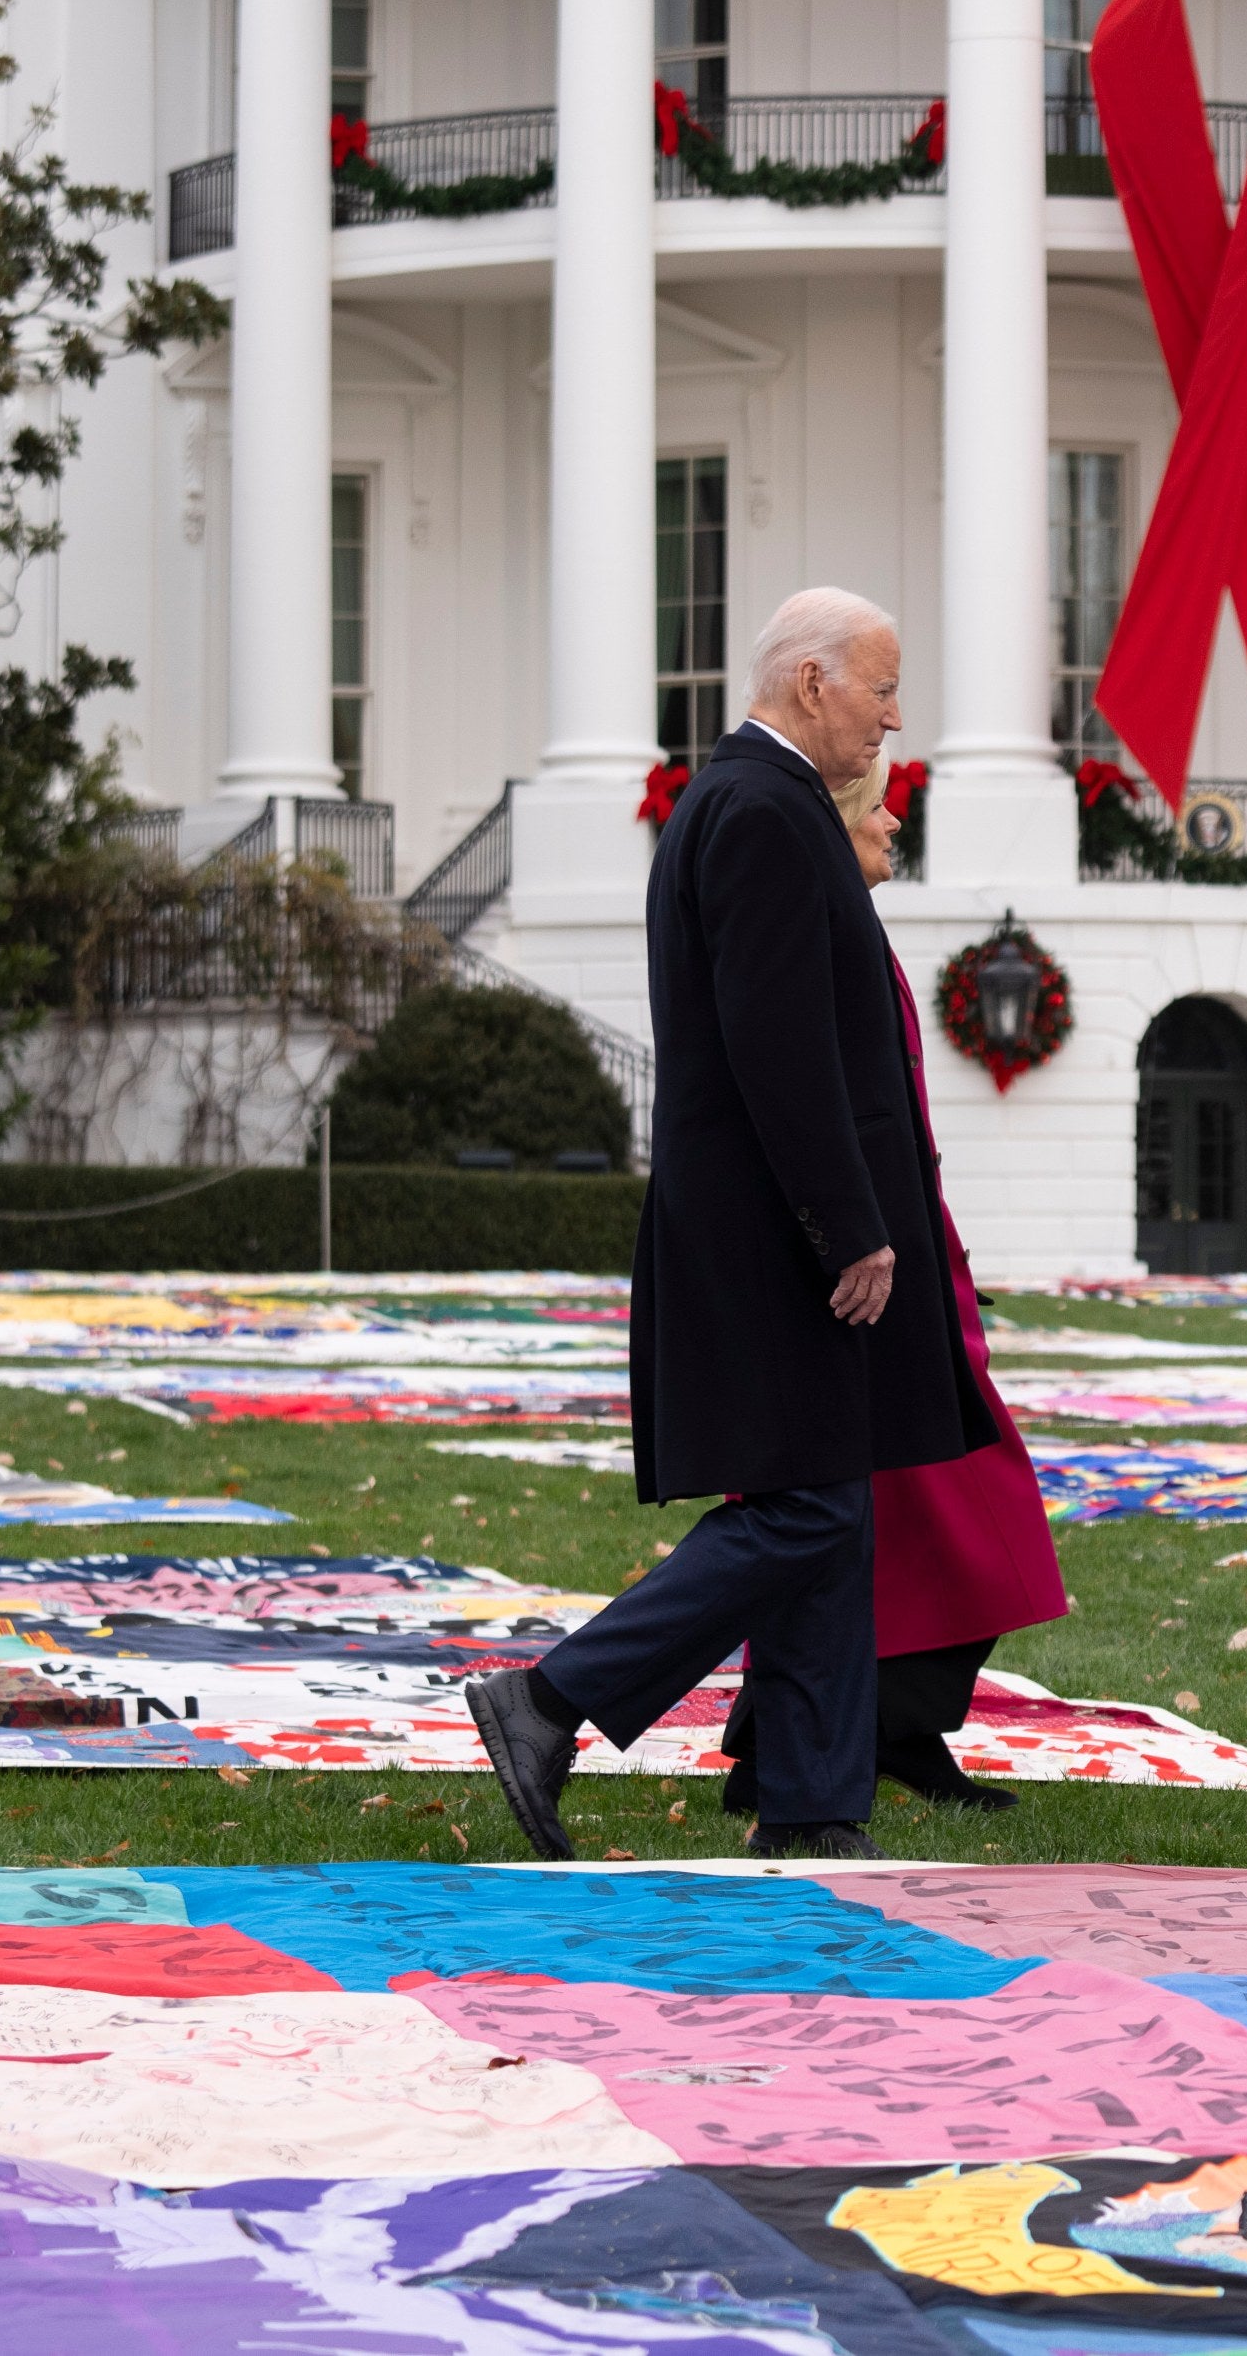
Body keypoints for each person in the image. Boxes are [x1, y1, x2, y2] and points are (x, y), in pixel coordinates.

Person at [464, 590, 992, 1863]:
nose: (893, 717)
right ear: (810, 683)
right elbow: (779, 1048)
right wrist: (847, 1225)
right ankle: (547, 1698)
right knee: (808, 1509)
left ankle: (810, 1804)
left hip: (769, 1226)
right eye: (878, 689)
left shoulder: (755, 805)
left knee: (829, 1502)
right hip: (775, 1235)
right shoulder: (760, 811)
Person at [721, 753, 1069, 1818]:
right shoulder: (827, 930)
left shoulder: (862, 936)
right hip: (864, 1274)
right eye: (876, 812)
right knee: (933, 1514)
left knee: (943, 1516)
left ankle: (858, 1733)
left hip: (905, 1259)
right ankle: (828, 1740)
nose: (892, 825)